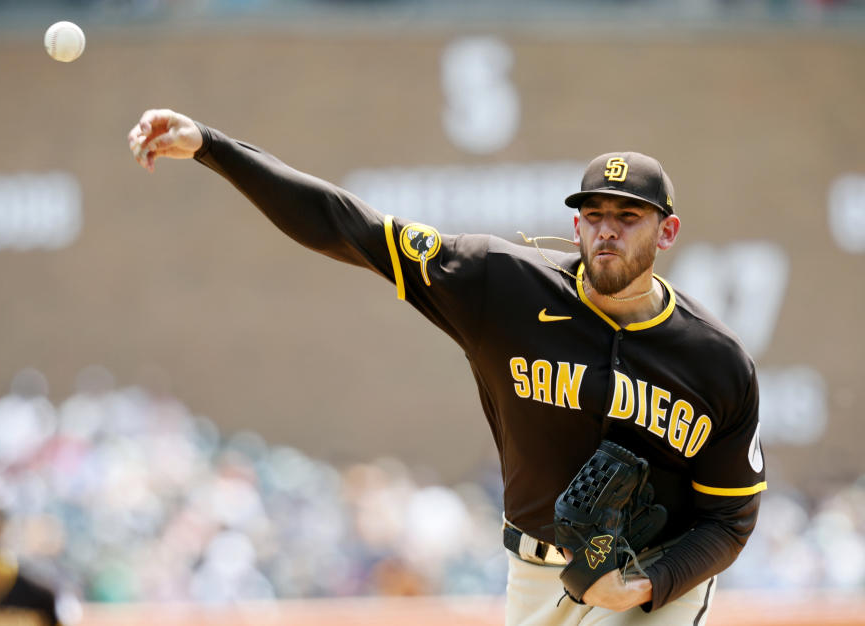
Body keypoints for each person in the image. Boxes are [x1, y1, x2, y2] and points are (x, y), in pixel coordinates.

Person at [128, 109, 766, 625]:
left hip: (650, 575)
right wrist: (212, 147)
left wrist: (645, 585)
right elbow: (352, 227)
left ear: (668, 231)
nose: (607, 231)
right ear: (575, 225)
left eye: (628, 217)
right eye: (594, 215)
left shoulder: (714, 360)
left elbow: (730, 517)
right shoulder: (501, 284)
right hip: (536, 574)